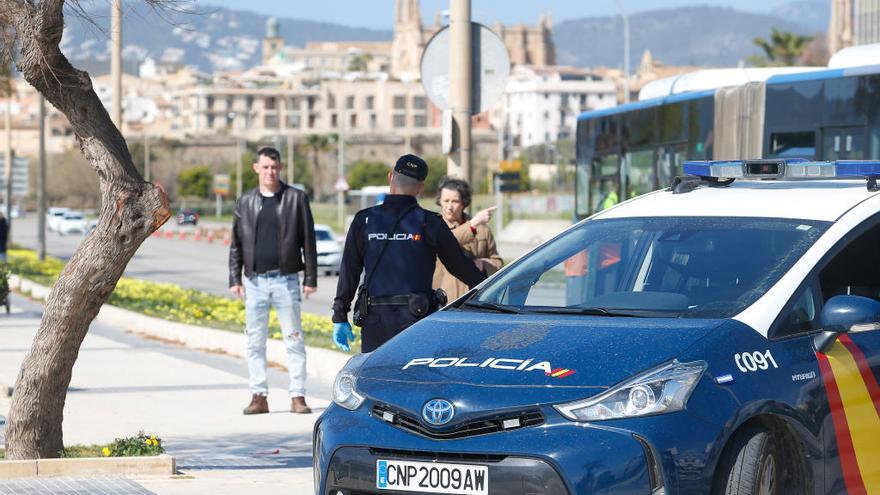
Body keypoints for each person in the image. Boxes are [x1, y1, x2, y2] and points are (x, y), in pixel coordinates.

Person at [332, 154, 486, 353]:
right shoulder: (430, 222)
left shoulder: (365, 220)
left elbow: (349, 273)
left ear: (390, 177)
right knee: (413, 381)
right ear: (421, 187)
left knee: (377, 380)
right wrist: (493, 288)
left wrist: (340, 316)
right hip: (416, 321)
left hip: (376, 321)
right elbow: (462, 268)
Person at [229, 146, 318, 415]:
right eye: (265, 167)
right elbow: (236, 244)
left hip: (286, 281)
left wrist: (310, 277)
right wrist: (235, 277)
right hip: (255, 282)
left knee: (293, 339)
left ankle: (298, 396)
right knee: (255, 341)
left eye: (274, 167)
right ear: (256, 168)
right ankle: (259, 395)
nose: (270, 172)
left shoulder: (296, 198)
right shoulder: (245, 202)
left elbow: (308, 241)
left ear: (280, 168)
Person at [433, 177, 503, 300]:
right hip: (444, 303)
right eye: (445, 201)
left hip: (476, 301)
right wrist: (472, 224)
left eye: (455, 201)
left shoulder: (483, 230)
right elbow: (446, 241)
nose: (449, 206)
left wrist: (484, 264)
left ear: (464, 203)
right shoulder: (434, 227)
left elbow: (498, 263)